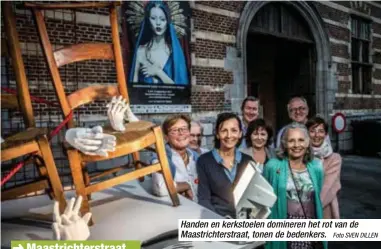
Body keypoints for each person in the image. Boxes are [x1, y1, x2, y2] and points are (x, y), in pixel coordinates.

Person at [263, 122, 327, 249]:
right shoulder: (272, 166)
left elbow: (317, 198)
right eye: (291, 141)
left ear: (308, 142)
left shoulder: (317, 167)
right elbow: (264, 201)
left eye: (301, 140)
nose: (297, 145)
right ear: (284, 144)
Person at [197, 112, 252, 218]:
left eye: (234, 130)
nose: (229, 135)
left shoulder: (248, 162)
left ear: (240, 133)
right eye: (224, 131)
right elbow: (204, 199)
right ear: (217, 134)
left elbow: (253, 197)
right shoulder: (204, 161)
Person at [128, 1, 189, 85]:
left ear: (167, 23)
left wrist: (158, 72)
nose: (158, 23)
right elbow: (133, 88)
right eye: (153, 18)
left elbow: (181, 90)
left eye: (162, 19)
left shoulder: (174, 52)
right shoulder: (141, 51)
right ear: (148, 21)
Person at [151, 114, 198, 201]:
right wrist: (185, 185)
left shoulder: (196, 157)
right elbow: (160, 188)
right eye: (175, 130)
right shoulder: (160, 157)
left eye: (184, 129)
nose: (181, 133)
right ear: (166, 137)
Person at [306, 116, 342, 219]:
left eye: (321, 131)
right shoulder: (300, 155)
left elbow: (328, 188)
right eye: (312, 131)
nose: (317, 135)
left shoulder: (334, 159)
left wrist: (307, 211)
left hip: (323, 210)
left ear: (326, 134)